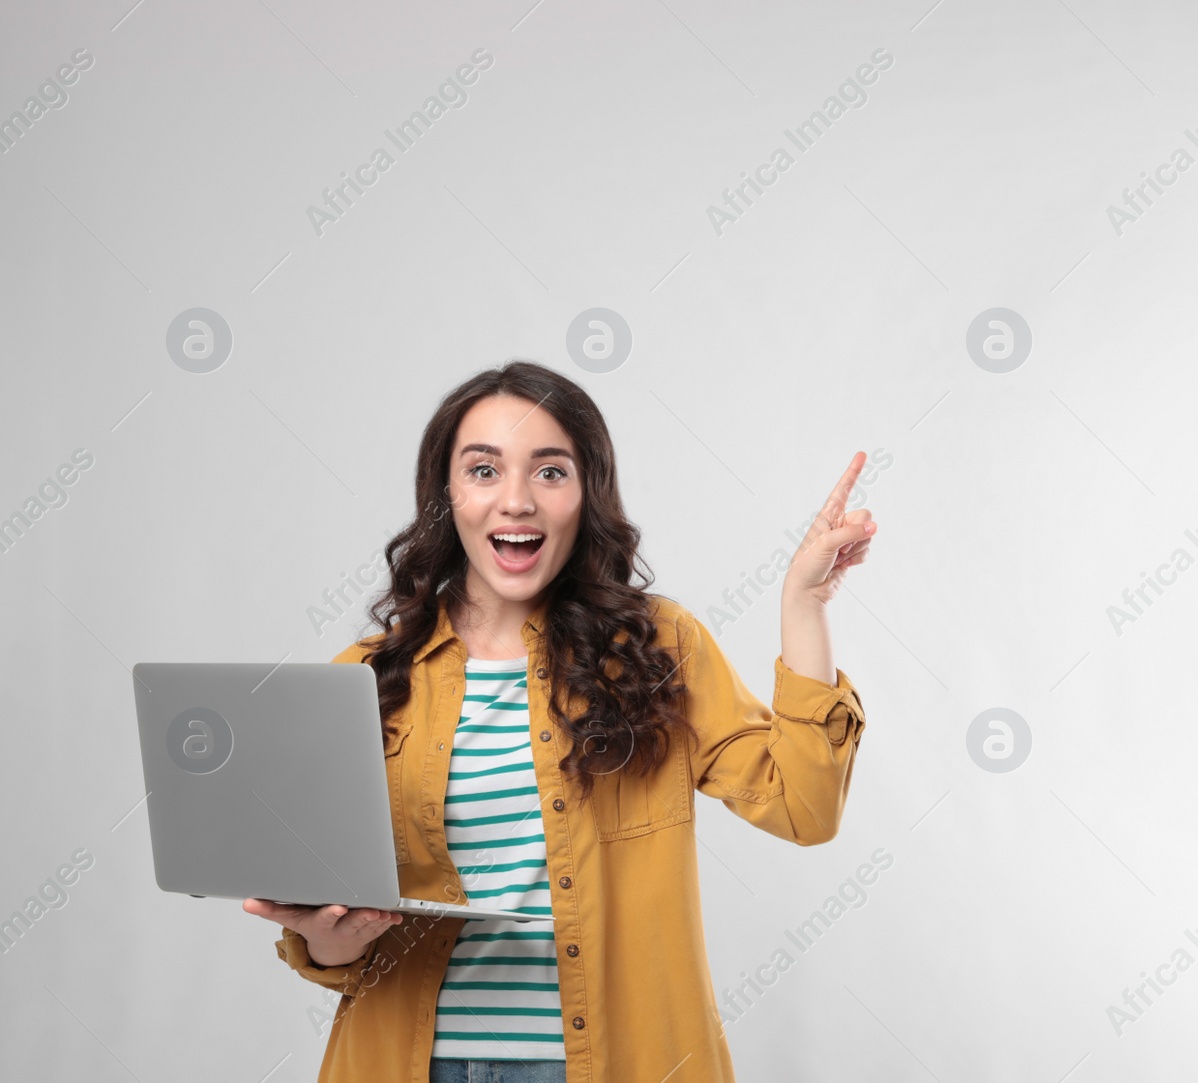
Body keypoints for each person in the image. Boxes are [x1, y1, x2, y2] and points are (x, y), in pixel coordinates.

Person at [241, 360, 876, 1083]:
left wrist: (804, 604)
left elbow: (806, 805)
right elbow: (335, 945)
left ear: (587, 493)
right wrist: (327, 939)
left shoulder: (660, 648)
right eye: (483, 470)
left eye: (550, 471)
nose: (516, 500)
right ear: (447, 494)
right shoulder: (366, 677)